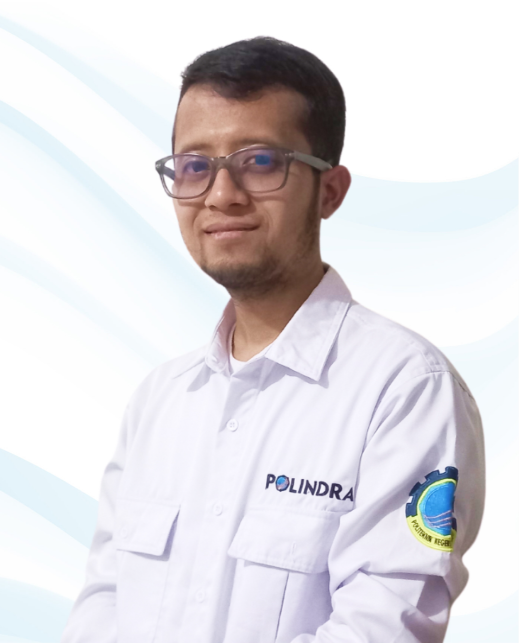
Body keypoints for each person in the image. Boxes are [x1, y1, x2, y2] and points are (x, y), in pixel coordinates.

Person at [61, 36, 485, 643]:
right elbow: (103, 607)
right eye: (195, 166)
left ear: (330, 191)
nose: (221, 195)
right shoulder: (159, 400)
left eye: (259, 162)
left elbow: (384, 626)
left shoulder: (405, 389)